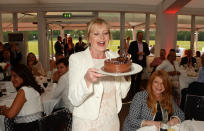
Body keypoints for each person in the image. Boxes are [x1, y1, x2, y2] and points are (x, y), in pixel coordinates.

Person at [68, 18, 130, 131]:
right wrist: (87, 80)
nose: (102, 38)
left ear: (109, 37)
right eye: (96, 34)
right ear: (88, 38)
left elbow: (123, 94)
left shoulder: (114, 57)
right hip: (86, 124)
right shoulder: (77, 59)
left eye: (105, 33)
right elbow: (73, 99)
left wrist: (127, 73)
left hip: (111, 121)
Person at [0, 64, 44, 131]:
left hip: (27, 127)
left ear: (23, 76)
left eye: (15, 76)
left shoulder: (24, 90)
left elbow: (10, 114)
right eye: (11, 76)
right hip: (37, 126)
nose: (12, 79)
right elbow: (25, 109)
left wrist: (3, 110)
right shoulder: (32, 88)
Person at [128, 31, 150, 98]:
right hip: (135, 62)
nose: (140, 37)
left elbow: (148, 52)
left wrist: (144, 53)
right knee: (133, 77)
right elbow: (129, 51)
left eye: (141, 35)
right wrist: (137, 53)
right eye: (139, 35)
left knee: (139, 77)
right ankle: (131, 90)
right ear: (137, 36)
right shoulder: (133, 43)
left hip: (141, 62)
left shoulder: (145, 44)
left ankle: (137, 90)